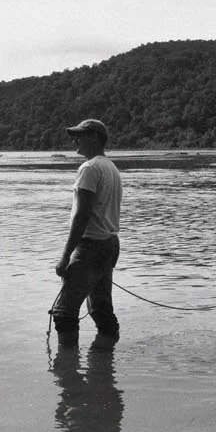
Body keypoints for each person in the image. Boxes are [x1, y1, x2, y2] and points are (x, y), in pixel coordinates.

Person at [52, 119, 123, 348]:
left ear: (94, 137)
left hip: (91, 247)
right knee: (101, 309)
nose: (75, 140)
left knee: (64, 313)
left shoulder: (89, 168)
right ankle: (104, 367)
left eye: (79, 135)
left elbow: (81, 216)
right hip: (110, 244)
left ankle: (69, 375)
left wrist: (65, 257)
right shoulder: (111, 167)